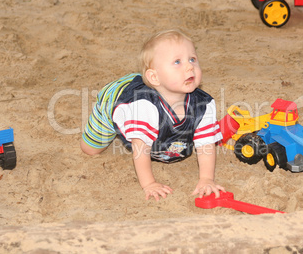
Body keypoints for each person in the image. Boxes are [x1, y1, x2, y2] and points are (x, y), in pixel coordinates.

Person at [80, 29, 225, 201]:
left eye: (192, 59)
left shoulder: (204, 104)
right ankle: (113, 109)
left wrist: (206, 179)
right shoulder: (143, 108)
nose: (189, 66)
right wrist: (148, 183)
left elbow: (206, 144)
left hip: (155, 104)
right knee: (90, 149)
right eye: (177, 62)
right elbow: (140, 149)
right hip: (113, 100)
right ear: (155, 77)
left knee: (168, 145)